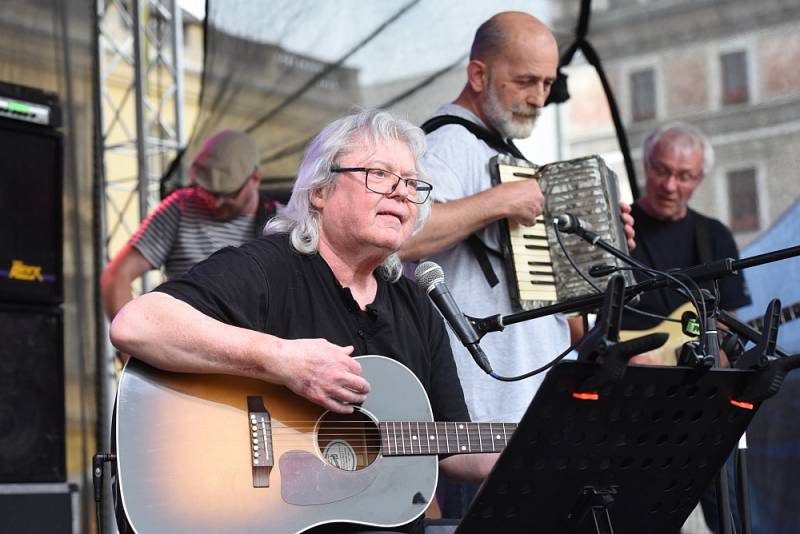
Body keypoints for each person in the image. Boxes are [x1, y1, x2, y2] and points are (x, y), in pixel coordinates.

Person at [109, 109, 497, 534]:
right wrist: (283, 360)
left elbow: (453, 448)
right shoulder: (269, 269)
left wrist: (543, 438)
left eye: (410, 183)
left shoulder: (418, 306)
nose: (402, 193)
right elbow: (138, 324)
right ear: (320, 191)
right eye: (379, 175)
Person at [399, 11, 634, 517]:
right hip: (478, 429)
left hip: (534, 412)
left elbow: (554, 301)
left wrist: (603, 244)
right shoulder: (441, 144)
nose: (538, 98)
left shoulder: (510, 154)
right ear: (478, 74)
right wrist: (501, 200)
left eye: (547, 83)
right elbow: (403, 236)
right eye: (525, 80)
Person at [620, 122, 750, 534]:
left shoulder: (713, 237)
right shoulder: (619, 228)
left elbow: (730, 328)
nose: (670, 184)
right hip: (626, 403)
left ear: (700, 179)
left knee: (725, 514)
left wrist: (723, 356)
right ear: (646, 165)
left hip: (696, 406)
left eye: (684, 176)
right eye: (661, 170)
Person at [100, 129, 280, 319]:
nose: (215, 202)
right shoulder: (180, 206)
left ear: (255, 179)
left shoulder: (281, 222)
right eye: (208, 191)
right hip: (180, 341)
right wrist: (132, 345)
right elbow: (116, 276)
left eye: (227, 194)